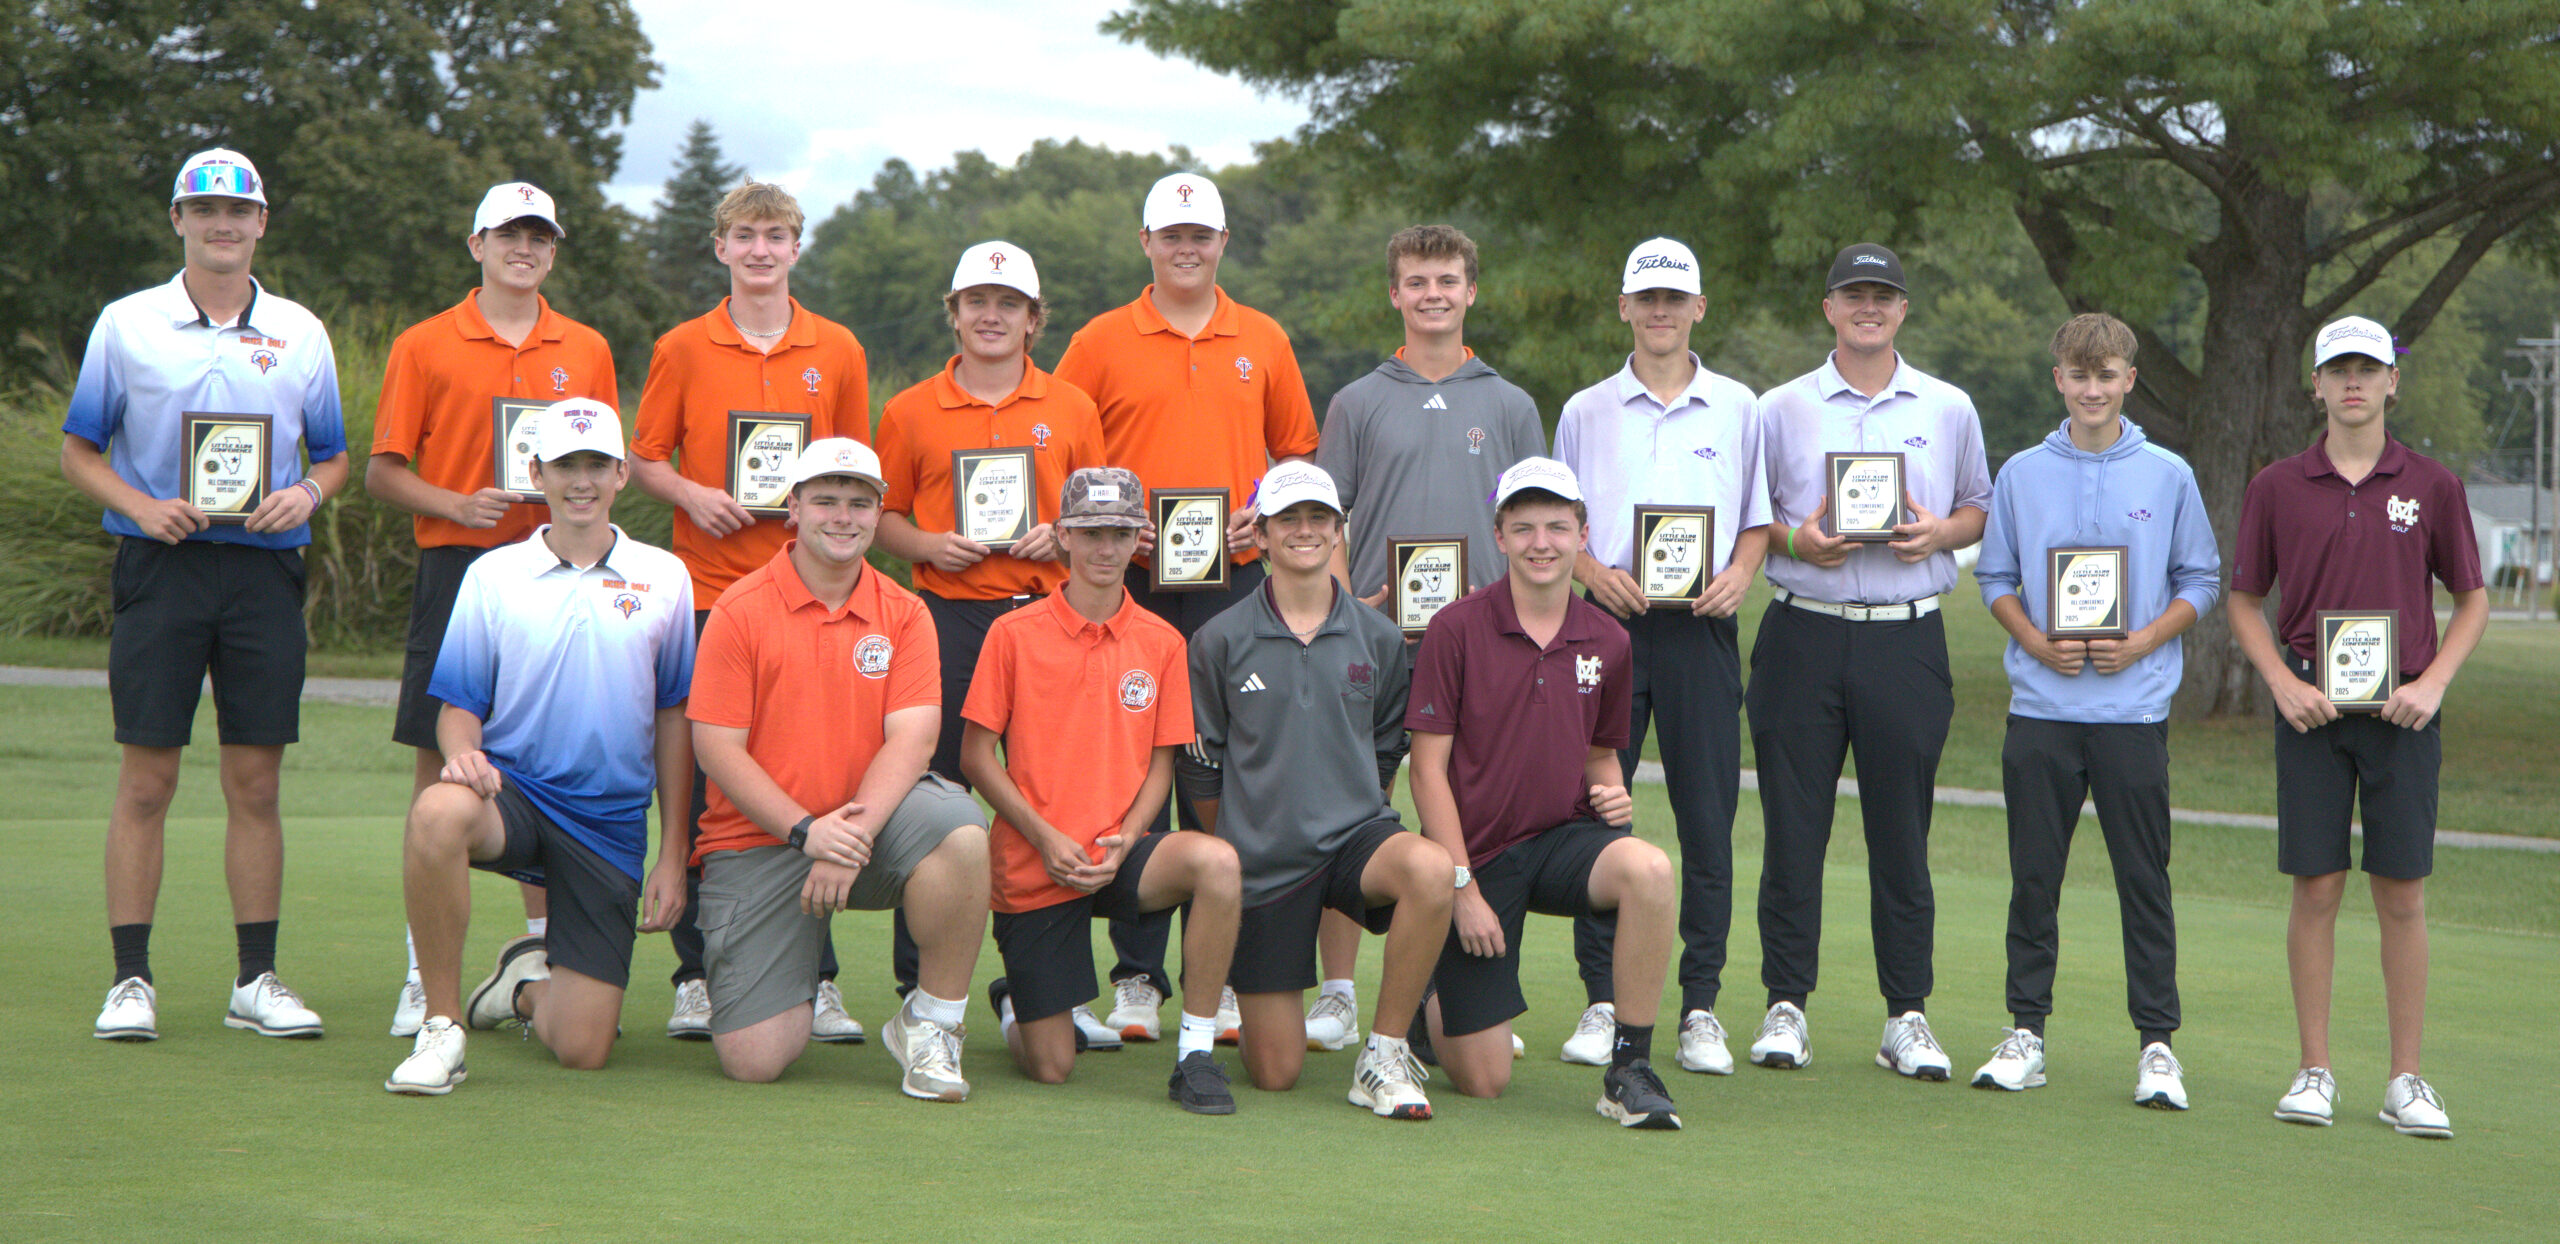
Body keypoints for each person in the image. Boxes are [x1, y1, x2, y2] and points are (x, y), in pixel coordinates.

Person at [68, 148, 348, 1044]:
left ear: (262, 222)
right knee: (147, 777)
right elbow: (80, 450)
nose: (223, 223)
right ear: (179, 221)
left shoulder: (301, 330)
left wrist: (305, 493)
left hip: (263, 568)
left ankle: (255, 978)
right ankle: (129, 980)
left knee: (255, 780)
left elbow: (333, 457)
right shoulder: (126, 323)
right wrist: (143, 508)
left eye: (240, 210)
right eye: (206, 209)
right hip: (162, 565)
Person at [1054, 171, 1319, 1042]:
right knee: (1133, 763)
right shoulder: (1098, 341)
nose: (1186, 248)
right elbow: (1059, 457)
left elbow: (1296, 457)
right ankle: (1138, 973)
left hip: (1238, 577)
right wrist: (1104, 528)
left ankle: (1238, 967)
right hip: (1126, 579)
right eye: (1171, 236)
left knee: (1236, 765)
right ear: (1146, 244)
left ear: (1222, 243)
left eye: (1200, 235)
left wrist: (1264, 506)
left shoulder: (1265, 338)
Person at [384, 398, 694, 1094]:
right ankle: (440, 1029)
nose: (579, 481)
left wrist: (673, 855)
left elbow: (675, 718)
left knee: (584, 1047)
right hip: (513, 799)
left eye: (594, 466)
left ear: (620, 474)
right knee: (437, 810)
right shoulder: (493, 575)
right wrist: (462, 753)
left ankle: (521, 981)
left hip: (608, 825)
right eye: (563, 466)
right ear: (536, 472)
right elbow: (458, 706)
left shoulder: (666, 577)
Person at [367, 181, 616, 1037]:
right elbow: (383, 471)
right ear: (476, 243)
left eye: (539, 236)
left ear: (552, 250)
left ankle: (540, 953)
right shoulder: (426, 342)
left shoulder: (583, 347)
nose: (524, 248)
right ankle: (420, 973)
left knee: (546, 751)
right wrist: (454, 501)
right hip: (457, 560)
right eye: (509, 233)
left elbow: (601, 466)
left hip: (552, 568)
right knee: (439, 763)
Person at [2230, 315, 2487, 1139]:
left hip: (2403, 710)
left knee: (2402, 892)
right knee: (2316, 886)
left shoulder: (2432, 485)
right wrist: (2277, 682)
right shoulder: (2276, 485)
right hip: (2310, 707)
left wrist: (2436, 681)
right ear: (2315, 385)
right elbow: (2244, 598)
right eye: (2337, 369)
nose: (2353, 383)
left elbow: (2471, 596)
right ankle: (2315, 1071)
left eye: (2367, 369)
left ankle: (2405, 1079)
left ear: (2391, 382)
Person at [631, 179, 870, 1044]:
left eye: (776, 236)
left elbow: (850, 469)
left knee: (815, 781)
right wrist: (693, 494)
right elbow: (645, 456)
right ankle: (696, 972)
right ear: (721, 248)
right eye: (746, 236)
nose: (761, 250)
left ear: (796, 248)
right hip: (707, 594)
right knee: (700, 786)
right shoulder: (684, 346)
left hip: (808, 597)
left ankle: (820, 977)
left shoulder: (836, 347)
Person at [1747, 243, 1990, 1080]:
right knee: (1793, 827)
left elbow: (1977, 508)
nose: (1868, 307)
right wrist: (1794, 539)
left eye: (1883, 296)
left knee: (1902, 833)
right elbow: (1751, 520)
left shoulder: (1950, 405)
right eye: (1854, 294)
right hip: (1801, 632)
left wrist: (1941, 535)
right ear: (1829, 308)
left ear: (1902, 310)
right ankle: (1786, 1003)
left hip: (1906, 636)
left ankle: (1907, 1014)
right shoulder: (1779, 408)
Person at [685, 439, 992, 1098]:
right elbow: (717, 749)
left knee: (961, 831)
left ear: (880, 513)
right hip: (761, 841)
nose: (843, 516)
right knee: (755, 1059)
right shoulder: (739, 608)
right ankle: (795, 981)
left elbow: (913, 741)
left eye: (860, 502)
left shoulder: (905, 611)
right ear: (792, 508)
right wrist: (807, 833)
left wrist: (843, 838)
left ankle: (931, 1024)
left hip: (869, 831)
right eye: (825, 500)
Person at [1968, 313, 2221, 1108]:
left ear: (2128, 382)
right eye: (2079, 376)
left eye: (2106, 376)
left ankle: (2156, 1046)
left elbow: (2201, 580)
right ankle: (2026, 1033)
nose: (2092, 390)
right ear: (2059, 382)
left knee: (2143, 880)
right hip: (2041, 708)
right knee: (2034, 879)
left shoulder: (2169, 474)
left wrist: (2143, 640)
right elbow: (1995, 578)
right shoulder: (2020, 474)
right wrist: (2035, 643)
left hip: (2133, 711)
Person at [871, 241, 1111, 1043]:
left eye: (1008, 304)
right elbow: (883, 517)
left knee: (1046, 795)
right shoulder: (909, 409)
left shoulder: (1073, 407)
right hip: (947, 618)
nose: (991, 315)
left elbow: (1099, 516)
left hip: (1047, 616)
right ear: (954, 312)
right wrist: (928, 547)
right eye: (976, 301)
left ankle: (1038, 984)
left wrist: (1063, 537)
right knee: (933, 800)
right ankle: (920, 988)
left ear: (1035, 320)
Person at [1307, 223, 1540, 1050]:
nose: (1432, 294)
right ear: (1395, 294)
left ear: (1472, 291)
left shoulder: (1509, 403)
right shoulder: (1359, 400)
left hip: (1478, 648)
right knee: (1349, 807)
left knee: (1472, 816)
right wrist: (1339, 607)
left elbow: (1532, 527)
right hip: (1374, 641)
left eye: (1447, 280)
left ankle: (1462, 993)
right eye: (1417, 281)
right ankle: (1337, 990)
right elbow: (1326, 517)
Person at [1550, 236, 1771, 1076]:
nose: (1661, 312)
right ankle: (1603, 1001)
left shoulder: (1739, 407)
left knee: (1707, 814)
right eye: (1647, 299)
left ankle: (1701, 1006)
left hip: (1703, 632)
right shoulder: (1584, 410)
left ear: (1698, 309)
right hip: (1605, 631)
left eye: (1675, 299)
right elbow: (1558, 525)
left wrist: (1741, 575)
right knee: (1597, 809)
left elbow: (1757, 517)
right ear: (1625, 308)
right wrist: (1592, 571)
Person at [1407, 457, 1683, 1129]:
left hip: (1562, 838)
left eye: (1557, 527)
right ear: (1498, 535)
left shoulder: (1609, 640)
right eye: (1523, 527)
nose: (1541, 543)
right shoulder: (1456, 628)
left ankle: (1629, 1068)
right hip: (1477, 855)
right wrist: (1462, 889)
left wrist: (1611, 793)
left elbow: (1600, 755)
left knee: (1650, 869)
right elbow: (1426, 772)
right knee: (1485, 1079)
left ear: (1582, 535)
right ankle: (1432, 994)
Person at [960, 467, 1245, 1114]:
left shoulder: (1163, 642)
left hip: (1122, 853)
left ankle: (1196, 1053)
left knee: (1218, 862)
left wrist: (1126, 840)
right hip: (1037, 856)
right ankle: (1016, 998)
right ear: (1062, 535)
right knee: (1052, 1067)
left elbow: (1161, 766)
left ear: (1140, 536)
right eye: (1089, 531)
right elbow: (977, 757)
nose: (1104, 548)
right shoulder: (1013, 634)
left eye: (1119, 532)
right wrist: (1044, 835)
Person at [1177, 461, 1453, 1118]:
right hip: (1264, 865)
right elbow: (1202, 769)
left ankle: (1382, 1053)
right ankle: (1258, 1000)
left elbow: (1387, 746)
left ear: (1338, 532)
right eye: (1288, 520)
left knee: (1430, 868)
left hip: (1355, 841)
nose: (1305, 531)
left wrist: (1350, 801)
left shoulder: (1380, 637)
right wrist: (1238, 847)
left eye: (1318, 519)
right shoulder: (1218, 639)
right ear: (1262, 535)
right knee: (1275, 1072)